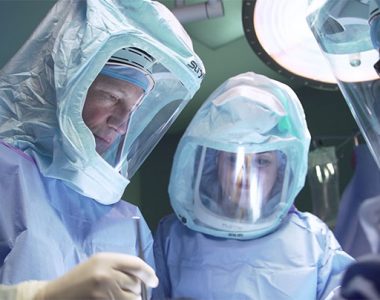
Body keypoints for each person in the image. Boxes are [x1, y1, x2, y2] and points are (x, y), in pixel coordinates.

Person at [0, 0, 204, 299]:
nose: (122, 123)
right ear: (61, 87)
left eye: (133, 109)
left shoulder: (127, 221)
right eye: (111, 96)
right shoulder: (6, 176)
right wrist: (39, 296)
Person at [152, 72, 355, 300]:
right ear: (213, 163)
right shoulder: (174, 236)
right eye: (233, 159)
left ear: (281, 170)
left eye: (262, 161)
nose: (245, 175)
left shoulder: (312, 238)